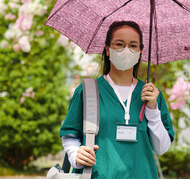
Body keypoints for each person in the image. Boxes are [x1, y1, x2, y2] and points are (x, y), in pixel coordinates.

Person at [59, 21, 175, 178]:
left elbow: (161, 148)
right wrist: (75, 155)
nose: (126, 50)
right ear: (107, 49)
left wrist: (152, 109)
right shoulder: (88, 91)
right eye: (119, 44)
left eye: (133, 46)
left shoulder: (152, 95)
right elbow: (70, 135)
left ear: (141, 51)